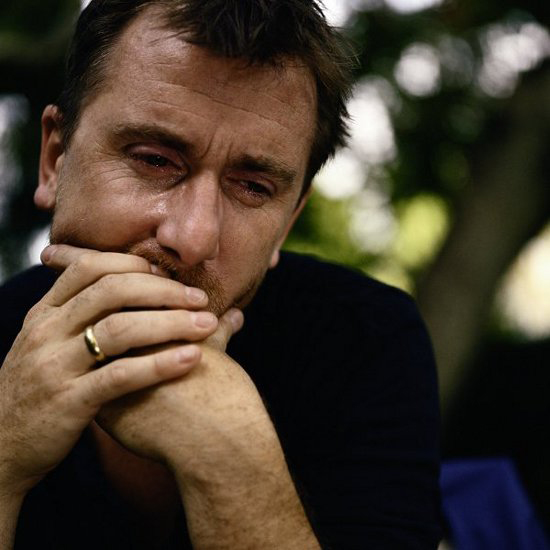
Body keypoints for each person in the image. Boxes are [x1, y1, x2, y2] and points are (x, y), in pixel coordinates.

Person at [0, 1, 441, 548]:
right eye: (154, 159)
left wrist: (228, 459)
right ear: (55, 159)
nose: (191, 238)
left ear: (286, 224)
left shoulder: (365, 340)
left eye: (252, 187)